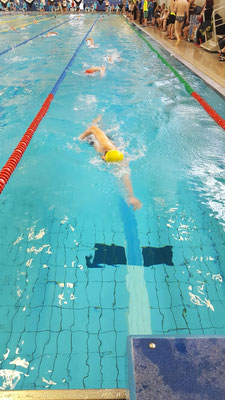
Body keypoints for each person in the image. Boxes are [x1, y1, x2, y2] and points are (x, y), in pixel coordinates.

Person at [79, 117, 142, 210]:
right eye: (104, 158)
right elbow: (93, 128)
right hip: (96, 138)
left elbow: (125, 176)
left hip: (98, 144)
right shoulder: (106, 145)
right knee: (95, 125)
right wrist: (81, 137)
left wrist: (131, 196)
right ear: (105, 153)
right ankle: (99, 116)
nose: (101, 158)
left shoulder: (121, 161)